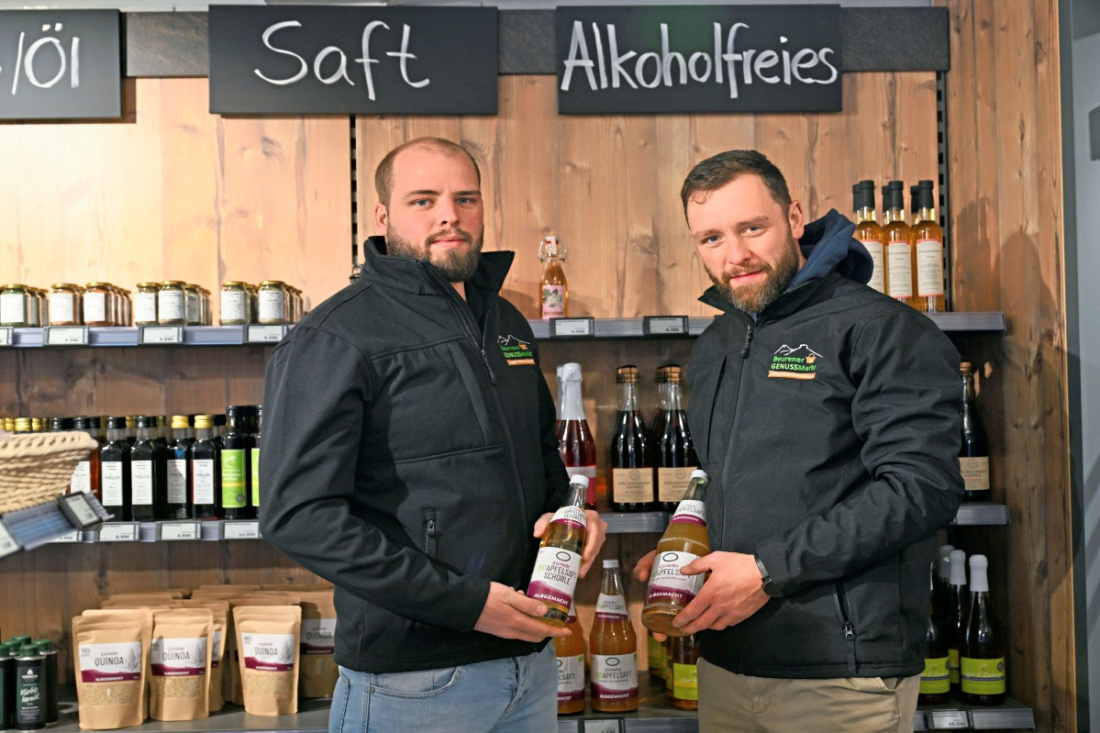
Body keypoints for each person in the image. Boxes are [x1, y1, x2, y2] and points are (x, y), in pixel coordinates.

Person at [259, 137, 607, 733]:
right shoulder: (337, 336)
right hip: (413, 683)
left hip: (530, 663)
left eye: (465, 198)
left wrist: (571, 515)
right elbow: (296, 516)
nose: (450, 215)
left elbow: (539, 454)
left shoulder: (505, 321)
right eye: (423, 200)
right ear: (383, 216)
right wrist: (466, 605)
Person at [635, 150, 963, 732]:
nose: (734, 255)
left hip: (839, 675)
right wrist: (684, 555)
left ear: (793, 218)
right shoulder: (716, 345)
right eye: (711, 238)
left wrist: (768, 570)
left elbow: (921, 489)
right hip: (726, 663)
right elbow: (735, 485)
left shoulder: (881, 328)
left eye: (751, 228)